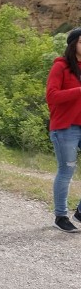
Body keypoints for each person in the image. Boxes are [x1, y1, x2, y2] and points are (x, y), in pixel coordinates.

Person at [45, 26, 81, 233]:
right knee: (66, 171)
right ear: (73, 44)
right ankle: (60, 216)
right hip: (66, 127)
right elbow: (52, 96)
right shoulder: (61, 66)